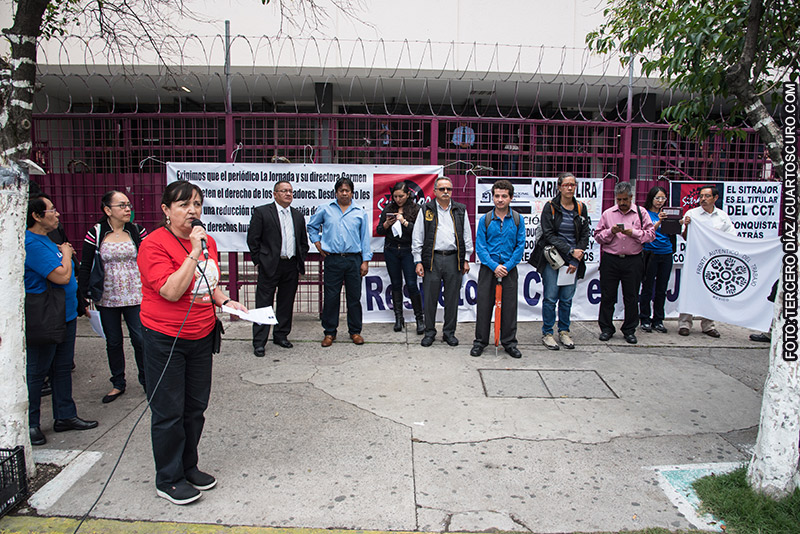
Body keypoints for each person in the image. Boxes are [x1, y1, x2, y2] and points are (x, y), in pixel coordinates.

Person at [137, 181, 247, 505]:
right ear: (166, 210)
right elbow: (171, 290)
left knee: (195, 408)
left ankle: (189, 466)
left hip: (201, 336)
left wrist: (227, 301)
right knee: (169, 411)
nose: (192, 211)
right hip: (165, 338)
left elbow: (209, 283)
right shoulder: (153, 245)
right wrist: (193, 253)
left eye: (197, 204)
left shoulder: (208, 241)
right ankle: (168, 478)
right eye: (184, 204)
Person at [25, 194, 98, 447]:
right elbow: (61, 277)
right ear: (36, 216)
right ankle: (31, 423)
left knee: (62, 368)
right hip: (45, 317)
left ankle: (65, 415)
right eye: (51, 210)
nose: (57, 214)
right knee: (38, 371)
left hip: (64, 315)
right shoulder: (31, 244)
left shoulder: (47, 239)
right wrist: (66, 253)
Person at [78, 191, 148, 403]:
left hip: (136, 294)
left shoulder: (137, 230)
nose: (128, 209)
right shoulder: (96, 233)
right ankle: (118, 382)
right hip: (107, 296)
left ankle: (147, 380)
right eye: (121, 205)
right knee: (114, 341)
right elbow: (86, 264)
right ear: (107, 210)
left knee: (140, 339)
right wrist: (83, 295)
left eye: (129, 205)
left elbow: (149, 258)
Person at [307, 177, 373, 347]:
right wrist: (317, 242)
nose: (344, 193)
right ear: (336, 192)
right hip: (333, 260)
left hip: (353, 260)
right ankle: (329, 333)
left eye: (347, 190)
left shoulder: (360, 212)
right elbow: (312, 226)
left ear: (352, 192)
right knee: (331, 297)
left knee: (354, 298)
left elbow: (365, 238)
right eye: (341, 190)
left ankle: (355, 331)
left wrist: (365, 261)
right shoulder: (325, 210)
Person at [247, 180, 309, 356]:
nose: (288, 194)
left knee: (285, 302)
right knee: (263, 304)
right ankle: (259, 341)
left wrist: (300, 258)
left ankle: (281, 335)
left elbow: (303, 242)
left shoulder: (297, 215)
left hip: (290, 265)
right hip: (270, 265)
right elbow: (253, 239)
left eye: (290, 191)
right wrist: (260, 260)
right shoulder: (262, 212)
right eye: (284, 191)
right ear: (275, 194)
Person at [530, 172, 591, 351]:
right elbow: (548, 234)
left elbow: (585, 233)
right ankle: (547, 333)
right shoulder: (551, 207)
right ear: (559, 187)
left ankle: (564, 331)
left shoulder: (580, 208)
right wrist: (570, 251)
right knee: (550, 297)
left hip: (573, 261)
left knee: (566, 299)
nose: (570, 188)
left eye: (573, 184)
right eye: (566, 185)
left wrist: (576, 256)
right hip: (553, 260)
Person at [412, 176, 473, 347]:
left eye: (449, 189)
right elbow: (418, 237)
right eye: (442, 189)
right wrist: (418, 261)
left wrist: (466, 258)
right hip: (433, 259)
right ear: (435, 191)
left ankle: (449, 333)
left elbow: (467, 235)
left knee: (452, 298)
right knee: (430, 298)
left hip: (454, 259)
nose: (446, 192)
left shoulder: (460, 210)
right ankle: (429, 332)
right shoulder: (426, 209)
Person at [594, 182, 655, 344]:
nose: (622, 203)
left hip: (633, 260)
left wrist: (633, 233)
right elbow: (598, 236)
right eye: (619, 200)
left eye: (625, 200)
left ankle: (629, 329)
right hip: (611, 260)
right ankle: (606, 328)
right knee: (607, 296)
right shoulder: (608, 214)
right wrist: (610, 232)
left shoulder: (641, 213)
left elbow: (650, 235)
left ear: (631, 198)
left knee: (631, 296)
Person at [471, 180, 525, 358]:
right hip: (489, 269)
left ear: (511, 198)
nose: (500, 199)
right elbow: (480, 246)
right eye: (497, 196)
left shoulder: (518, 219)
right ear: (492, 197)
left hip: (509, 270)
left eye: (504, 196)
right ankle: (480, 342)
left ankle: (509, 343)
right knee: (484, 307)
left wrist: (506, 267)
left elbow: (520, 247)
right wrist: (494, 266)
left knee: (509, 308)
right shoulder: (485, 219)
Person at [678, 185, 735, 337]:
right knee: (689, 290)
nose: (703, 199)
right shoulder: (692, 214)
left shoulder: (722, 216)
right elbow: (685, 237)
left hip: (714, 261)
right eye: (701, 196)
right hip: (695, 258)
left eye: (707, 196)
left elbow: (731, 236)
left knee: (711, 291)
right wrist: (687, 226)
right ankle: (684, 323)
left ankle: (708, 324)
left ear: (715, 198)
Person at [376, 181, 424, 334]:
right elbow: (379, 230)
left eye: (401, 196)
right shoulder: (388, 208)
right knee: (395, 284)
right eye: (395, 196)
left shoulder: (416, 209)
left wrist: (403, 221)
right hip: (391, 250)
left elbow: (419, 232)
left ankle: (419, 319)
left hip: (408, 250)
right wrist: (386, 224)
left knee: (411, 284)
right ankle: (398, 318)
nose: (398, 199)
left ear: (408, 194)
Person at [638, 186, 676, 334]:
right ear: (651, 198)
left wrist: (678, 223)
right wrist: (659, 221)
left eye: (663, 198)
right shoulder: (645, 213)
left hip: (666, 252)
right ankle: (645, 319)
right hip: (650, 253)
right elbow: (646, 232)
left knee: (662, 288)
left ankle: (658, 319)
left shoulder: (668, 214)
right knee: (647, 287)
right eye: (657, 198)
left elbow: (674, 232)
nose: (660, 201)